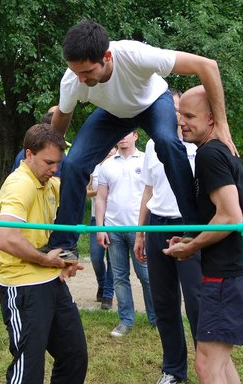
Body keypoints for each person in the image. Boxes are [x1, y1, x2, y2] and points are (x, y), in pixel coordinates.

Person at [48, 19, 236, 256]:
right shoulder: (72, 79)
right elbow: (60, 121)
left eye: (87, 72)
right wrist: (50, 154)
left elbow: (207, 66)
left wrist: (221, 123)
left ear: (106, 56)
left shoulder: (135, 54)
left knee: (167, 143)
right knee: (74, 163)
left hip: (153, 103)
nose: (82, 79)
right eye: (77, 73)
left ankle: (193, 226)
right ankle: (64, 244)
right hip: (114, 114)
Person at [163, 85, 243, 384]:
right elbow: (223, 215)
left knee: (206, 364)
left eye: (190, 116)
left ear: (212, 120)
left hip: (227, 277)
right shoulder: (215, 151)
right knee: (220, 361)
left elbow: (231, 216)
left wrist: (192, 248)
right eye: (180, 115)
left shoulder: (209, 155)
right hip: (232, 272)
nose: (181, 122)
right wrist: (194, 240)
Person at [0, 124, 88, 384]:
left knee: (74, 355)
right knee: (29, 368)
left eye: (58, 163)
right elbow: (4, 237)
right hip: (24, 286)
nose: (54, 169)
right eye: (49, 162)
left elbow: (81, 190)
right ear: (29, 154)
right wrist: (45, 259)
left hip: (52, 282)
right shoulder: (20, 184)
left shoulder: (46, 183)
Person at [133, 89, 201, 384]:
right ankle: (173, 369)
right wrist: (140, 231)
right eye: (169, 108)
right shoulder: (152, 144)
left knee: (196, 301)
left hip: (188, 227)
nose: (174, 115)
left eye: (180, 110)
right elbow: (148, 190)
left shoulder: (198, 146)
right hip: (156, 226)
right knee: (164, 301)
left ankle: (208, 364)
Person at [95, 131, 156, 337]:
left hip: (139, 229)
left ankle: (156, 318)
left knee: (146, 275)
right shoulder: (107, 165)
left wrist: (146, 228)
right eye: (119, 134)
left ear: (135, 136)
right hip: (113, 229)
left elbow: (153, 193)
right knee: (120, 277)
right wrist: (101, 227)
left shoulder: (146, 160)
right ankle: (125, 320)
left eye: (126, 134)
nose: (121, 137)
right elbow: (101, 198)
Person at [89, 148, 115, 310]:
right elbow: (85, 192)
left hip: (114, 220)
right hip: (95, 219)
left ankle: (108, 294)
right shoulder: (94, 167)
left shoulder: (119, 165)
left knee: (113, 259)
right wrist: (100, 192)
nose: (109, 150)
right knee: (96, 257)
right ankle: (102, 283)